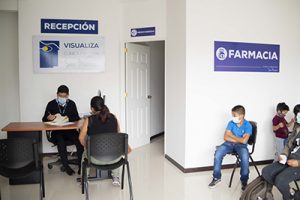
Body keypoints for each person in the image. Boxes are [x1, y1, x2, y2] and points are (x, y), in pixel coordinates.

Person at [79, 96, 129, 186]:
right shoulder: (114, 117)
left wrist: (87, 147)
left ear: (92, 108)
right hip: (115, 158)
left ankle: (85, 180)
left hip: (95, 159)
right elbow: (118, 136)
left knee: (84, 154)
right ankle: (116, 177)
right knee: (115, 148)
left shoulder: (89, 120)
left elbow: (81, 138)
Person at [208, 105, 252, 190]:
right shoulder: (231, 123)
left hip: (241, 146)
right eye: (232, 115)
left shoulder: (248, 125)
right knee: (218, 153)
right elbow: (225, 137)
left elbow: (244, 141)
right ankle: (216, 178)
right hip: (229, 143)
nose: (233, 118)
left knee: (245, 157)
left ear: (241, 115)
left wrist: (232, 136)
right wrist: (238, 139)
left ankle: (244, 180)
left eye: (234, 116)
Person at [42, 85, 83, 176]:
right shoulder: (51, 104)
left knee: (79, 141)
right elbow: (44, 119)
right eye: (60, 96)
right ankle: (66, 166)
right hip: (57, 132)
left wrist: (68, 118)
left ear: (68, 95)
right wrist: (48, 118)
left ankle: (81, 166)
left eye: (64, 96)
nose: (62, 98)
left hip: (70, 131)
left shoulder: (72, 104)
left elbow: (76, 117)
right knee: (61, 142)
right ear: (57, 94)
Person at [262, 104, 300, 200]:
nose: (297, 116)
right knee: (266, 171)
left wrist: (298, 162)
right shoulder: (297, 127)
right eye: (297, 114)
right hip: (289, 159)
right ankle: (291, 192)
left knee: (280, 180)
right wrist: (284, 154)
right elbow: (289, 144)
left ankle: (292, 195)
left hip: (298, 163)